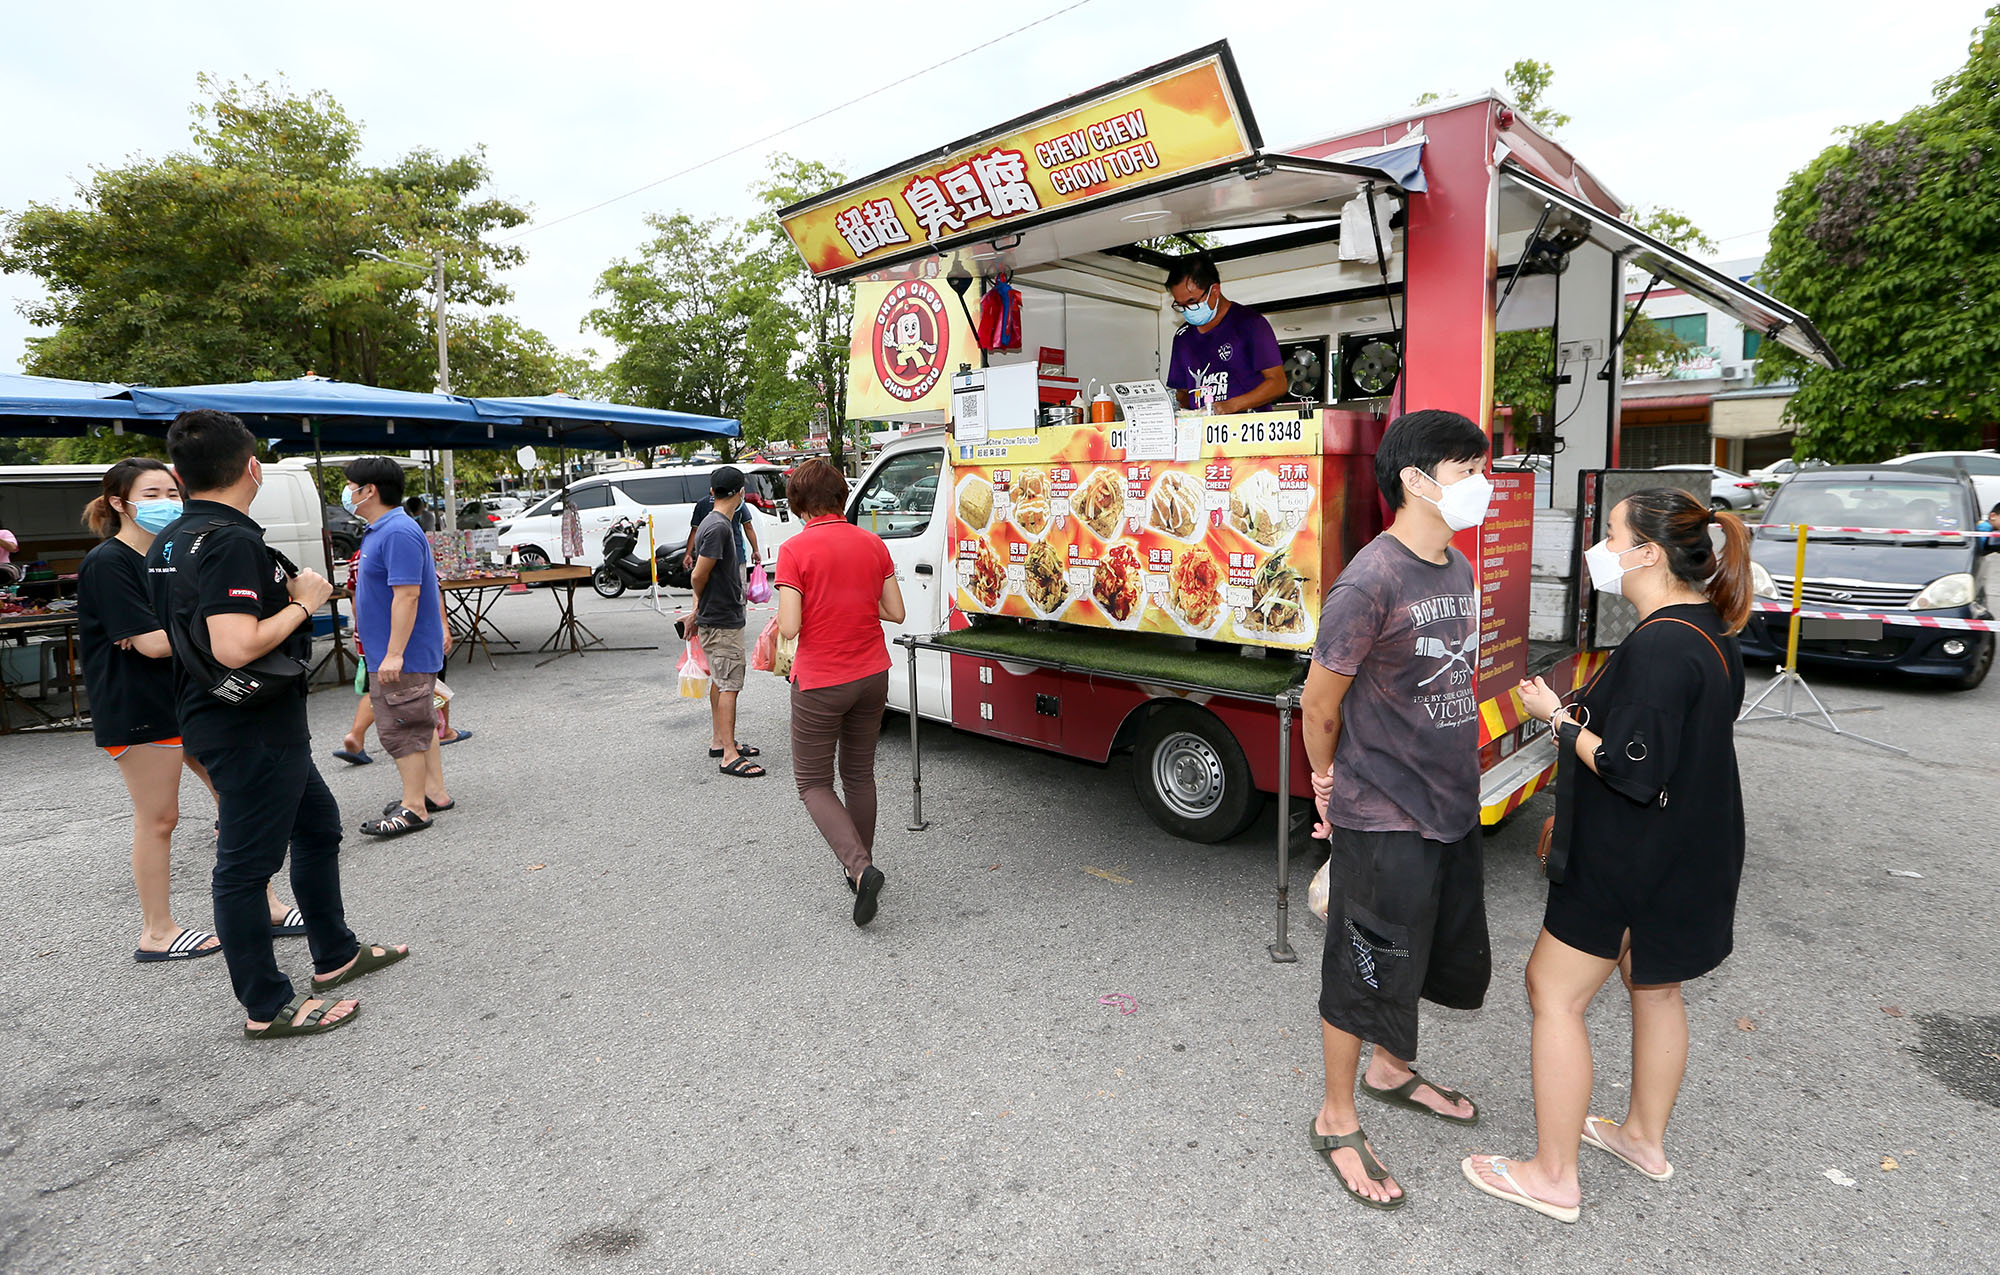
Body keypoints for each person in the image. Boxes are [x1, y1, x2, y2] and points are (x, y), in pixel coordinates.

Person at [1463, 488, 1750, 1224]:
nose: (1600, 545)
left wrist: (1555, 718)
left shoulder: (1659, 644)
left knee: (1552, 991)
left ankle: (1553, 1174)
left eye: (1611, 533)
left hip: (1631, 856)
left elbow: (1631, 765)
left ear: (1647, 552)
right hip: (1689, 850)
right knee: (1653, 984)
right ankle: (1642, 1138)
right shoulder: (1709, 629)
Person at [149, 409, 407, 1039]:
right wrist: (304, 603)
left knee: (317, 828)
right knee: (244, 867)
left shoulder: (171, 538)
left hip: (227, 717)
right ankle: (267, 1006)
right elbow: (236, 644)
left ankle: (335, 953)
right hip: (247, 725)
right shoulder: (230, 540)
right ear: (253, 468)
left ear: (179, 477)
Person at [1301, 408, 1494, 1211]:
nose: (1481, 485)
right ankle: (1335, 1116)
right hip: (1382, 814)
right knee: (1364, 965)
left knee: (1420, 954)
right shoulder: (1369, 580)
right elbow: (1319, 702)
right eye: (1467, 470)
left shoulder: (1454, 566)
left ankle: (1388, 1068)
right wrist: (1323, 782)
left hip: (1448, 803)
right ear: (1416, 480)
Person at [76, 458, 301, 963]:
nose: (167, 503)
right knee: (159, 818)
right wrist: (218, 636)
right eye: (151, 493)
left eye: (171, 492)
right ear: (118, 503)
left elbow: (167, 636)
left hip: (186, 697)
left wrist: (196, 634)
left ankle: (264, 902)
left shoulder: (168, 550)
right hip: (137, 705)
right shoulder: (108, 563)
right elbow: (152, 643)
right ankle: (156, 931)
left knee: (235, 799)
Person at [775, 459, 905, 926]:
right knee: (859, 775)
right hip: (872, 674)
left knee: (812, 782)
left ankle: (860, 866)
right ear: (842, 497)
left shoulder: (793, 551)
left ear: (797, 504)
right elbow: (896, 612)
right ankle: (859, 868)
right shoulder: (873, 544)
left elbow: (790, 626)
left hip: (821, 680)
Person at [345, 457, 453, 835]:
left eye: (350, 486)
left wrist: (393, 653)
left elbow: (407, 595)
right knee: (418, 720)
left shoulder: (396, 532)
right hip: (393, 651)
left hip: (399, 654)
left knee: (400, 726)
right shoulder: (385, 529)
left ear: (368, 490)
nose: (347, 493)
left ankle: (414, 808)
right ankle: (432, 792)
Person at [689, 465, 761, 777]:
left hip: (718, 615)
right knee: (730, 683)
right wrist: (703, 606)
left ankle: (721, 740)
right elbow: (697, 575)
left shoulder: (715, 522)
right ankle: (729, 755)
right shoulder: (718, 526)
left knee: (721, 680)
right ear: (740, 492)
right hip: (721, 619)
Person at [1164, 255, 1286, 415]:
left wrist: (1230, 406)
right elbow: (1183, 393)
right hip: (1203, 434)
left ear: (1214, 290)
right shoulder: (1182, 337)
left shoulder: (1250, 323)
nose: (1187, 310)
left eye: (1192, 302)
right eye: (1180, 305)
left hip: (1249, 431)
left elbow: (1278, 383)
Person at [685, 484, 761, 580]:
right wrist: (755, 550)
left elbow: (695, 530)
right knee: (738, 589)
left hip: (709, 557)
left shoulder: (702, 504)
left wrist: (688, 554)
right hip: (736, 555)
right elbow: (748, 526)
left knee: (713, 589)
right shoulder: (737, 503)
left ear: (712, 490)